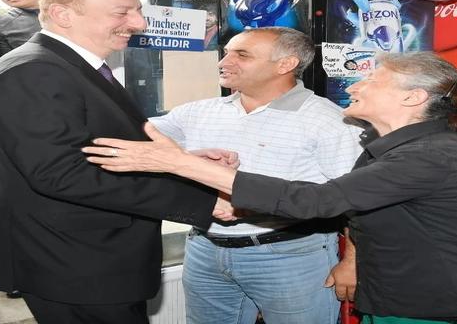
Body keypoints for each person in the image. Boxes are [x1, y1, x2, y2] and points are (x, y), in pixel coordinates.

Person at [85, 51, 457, 324]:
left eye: (373, 80)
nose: (356, 85)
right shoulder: (387, 146)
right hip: (406, 301)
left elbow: (318, 200)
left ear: (413, 97)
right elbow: (346, 203)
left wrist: (180, 163)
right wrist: (239, 201)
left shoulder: (433, 154)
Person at [0, 0, 224, 324]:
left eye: (138, 12)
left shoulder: (71, 66)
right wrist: (203, 200)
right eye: (122, 13)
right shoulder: (34, 71)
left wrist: (181, 163)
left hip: (94, 259)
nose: (139, 24)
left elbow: (97, 148)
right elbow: (62, 173)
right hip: (74, 264)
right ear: (63, 15)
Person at [146, 26, 363, 324]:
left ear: (285, 64)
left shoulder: (328, 120)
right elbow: (134, 140)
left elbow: (356, 200)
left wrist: (353, 262)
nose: (224, 62)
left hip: (290, 255)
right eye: (226, 53)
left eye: (242, 55)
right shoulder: (196, 112)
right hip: (204, 250)